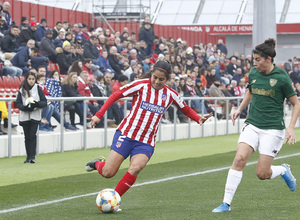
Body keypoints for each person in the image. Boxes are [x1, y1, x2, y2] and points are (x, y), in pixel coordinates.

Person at [85, 61, 212, 201]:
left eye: (161, 79)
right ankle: (98, 163)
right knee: (108, 173)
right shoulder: (140, 85)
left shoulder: (170, 94)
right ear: (151, 74)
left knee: (135, 168)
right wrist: (99, 114)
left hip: (146, 142)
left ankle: (113, 199)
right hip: (126, 134)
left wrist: (198, 118)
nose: (157, 81)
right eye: (155, 77)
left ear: (167, 79)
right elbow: (116, 95)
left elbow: (185, 108)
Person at [212, 38, 300, 213]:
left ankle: (282, 170)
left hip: (273, 129)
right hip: (252, 124)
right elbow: (250, 92)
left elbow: (296, 103)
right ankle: (226, 204)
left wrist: (291, 127)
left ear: (268, 59)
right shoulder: (253, 73)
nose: (255, 63)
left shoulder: (282, 77)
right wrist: (239, 109)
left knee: (262, 174)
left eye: (257, 60)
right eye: (254, 60)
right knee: (239, 159)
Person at [16, 72, 47, 163]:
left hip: (35, 116)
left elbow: (44, 102)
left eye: (33, 79)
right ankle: (28, 156)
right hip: (25, 117)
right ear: (26, 79)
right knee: (27, 137)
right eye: (29, 79)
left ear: (35, 80)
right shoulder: (22, 90)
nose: (31, 81)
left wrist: (36, 104)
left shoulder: (38, 88)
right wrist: (24, 107)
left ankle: (32, 156)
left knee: (32, 135)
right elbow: (18, 103)